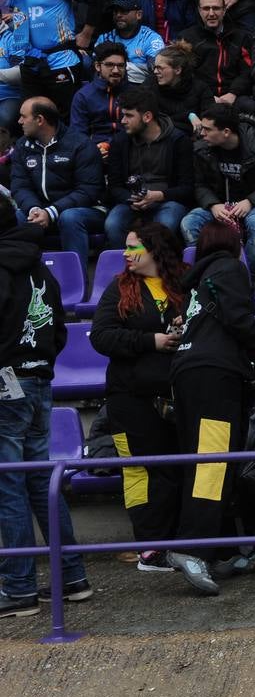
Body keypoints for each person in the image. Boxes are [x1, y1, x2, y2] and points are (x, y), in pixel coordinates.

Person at [166, 220, 255, 596]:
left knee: (199, 460)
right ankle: (191, 548)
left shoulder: (197, 277)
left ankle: (218, 548)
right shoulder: (230, 268)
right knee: (213, 461)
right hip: (215, 375)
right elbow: (238, 320)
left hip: (186, 372)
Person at [0, 196, 89, 618]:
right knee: (41, 482)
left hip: (6, 383)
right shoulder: (40, 265)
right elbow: (57, 329)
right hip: (38, 380)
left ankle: (18, 588)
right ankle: (72, 577)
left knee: (9, 487)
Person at [89, 223, 188, 572]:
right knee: (141, 471)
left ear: (156, 250)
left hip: (176, 395)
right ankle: (149, 548)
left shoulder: (183, 282)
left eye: (134, 248)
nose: (127, 254)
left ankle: (177, 544)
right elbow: (101, 336)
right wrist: (153, 341)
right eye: (126, 248)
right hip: (129, 398)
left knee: (175, 470)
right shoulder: (120, 288)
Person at [181, 103, 255, 272]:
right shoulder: (201, 150)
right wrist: (213, 204)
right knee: (189, 222)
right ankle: (207, 272)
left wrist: (251, 201)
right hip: (219, 205)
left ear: (226, 132)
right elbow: (198, 185)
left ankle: (249, 277)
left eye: (207, 129)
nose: (202, 133)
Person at [11, 0, 101, 111]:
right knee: (30, 116)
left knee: (64, 117)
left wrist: (86, 33)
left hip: (60, 60)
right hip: (30, 61)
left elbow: (97, 0)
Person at [10, 97, 104, 264]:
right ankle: (24, 281)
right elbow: (20, 185)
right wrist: (34, 209)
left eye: (23, 116)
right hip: (41, 210)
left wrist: (52, 212)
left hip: (86, 209)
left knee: (69, 217)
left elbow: (88, 191)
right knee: (15, 217)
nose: (19, 121)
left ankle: (76, 282)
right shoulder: (22, 146)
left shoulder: (80, 144)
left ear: (40, 120)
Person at [104, 86, 193, 249]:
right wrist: (130, 199)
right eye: (123, 115)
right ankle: (128, 269)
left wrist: (158, 196)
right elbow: (114, 186)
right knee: (113, 224)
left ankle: (160, 268)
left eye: (128, 116)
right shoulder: (120, 141)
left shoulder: (178, 140)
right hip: (131, 201)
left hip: (167, 200)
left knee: (165, 223)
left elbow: (187, 188)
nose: (123, 121)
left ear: (147, 116)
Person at [181, 0, 255, 113]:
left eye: (216, 8)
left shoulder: (241, 37)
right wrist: (207, 96)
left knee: (249, 106)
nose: (211, 13)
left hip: (233, 96)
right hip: (201, 96)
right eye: (206, 9)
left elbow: (247, 71)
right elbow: (186, 74)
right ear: (199, 11)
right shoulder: (187, 38)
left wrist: (233, 93)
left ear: (224, 10)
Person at [69, 42, 128, 145]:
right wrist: (92, 151)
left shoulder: (133, 92)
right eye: (109, 65)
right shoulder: (83, 96)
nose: (116, 70)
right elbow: (78, 134)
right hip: (95, 150)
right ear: (97, 66)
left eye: (121, 66)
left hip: (127, 149)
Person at [97, 0, 164, 84]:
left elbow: (155, 71)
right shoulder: (105, 38)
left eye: (124, 11)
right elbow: (97, 68)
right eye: (115, 12)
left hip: (140, 88)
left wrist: (115, 67)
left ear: (139, 15)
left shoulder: (151, 38)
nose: (118, 15)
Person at [149, 41, 213, 134]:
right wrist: (189, 116)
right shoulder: (151, 84)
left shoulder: (200, 88)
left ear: (177, 70)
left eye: (160, 68)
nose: (155, 71)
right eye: (154, 67)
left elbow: (211, 118)